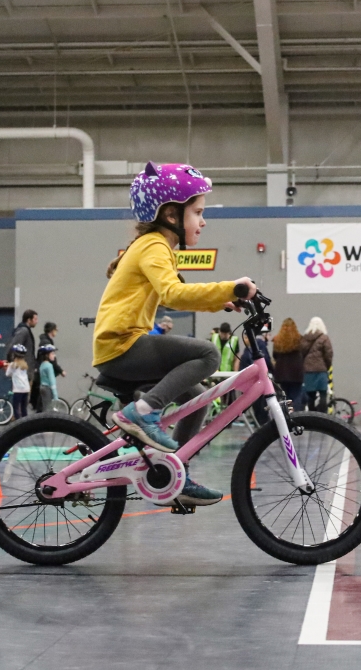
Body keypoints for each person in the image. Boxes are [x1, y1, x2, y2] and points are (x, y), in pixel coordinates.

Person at [96, 161, 255, 508]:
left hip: (125, 344)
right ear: (170, 214)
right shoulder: (154, 245)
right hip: (122, 345)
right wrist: (233, 286)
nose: (203, 220)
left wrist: (224, 300)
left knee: (198, 400)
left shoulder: (154, 247)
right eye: (198, 212)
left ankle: (175, 473)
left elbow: (178, 289)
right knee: (208, 354)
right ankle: (143, 411)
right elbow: (172, 294)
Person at [271, 317, 305, 411]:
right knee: (296, 396)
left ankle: (285, 419)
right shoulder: (299, 339)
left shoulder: (277, 340)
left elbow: (275, 355)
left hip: (281, 373)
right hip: (296, 373)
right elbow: (304, 353)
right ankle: (297, 418)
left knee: (284, 398)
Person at [301, 317, 333, 413]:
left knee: (310, 395)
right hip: (321, 370)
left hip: (308, 371)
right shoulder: (324, 338)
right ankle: (323, 415)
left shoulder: (304, 338)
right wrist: (326, 366)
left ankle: (312, 415)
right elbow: (329, 354)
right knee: (323, 394)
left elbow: (301, 353)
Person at [6, 344, 31, 420]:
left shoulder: (13, 365)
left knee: (16, 407)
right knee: (24, 408)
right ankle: (26, 422)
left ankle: (18, 422)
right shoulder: (25, 365)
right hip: (26, 389)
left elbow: (7, 374)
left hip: (18, 389)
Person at [38, 344, 59, 411]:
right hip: (47, 388)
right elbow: (52, 380)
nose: (54, 356)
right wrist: (55, 394)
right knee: (48, 408)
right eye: (52, 354)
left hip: (42, 387)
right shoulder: (49, 366)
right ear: (47, 355)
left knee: (45, 406)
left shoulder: (42, 364)